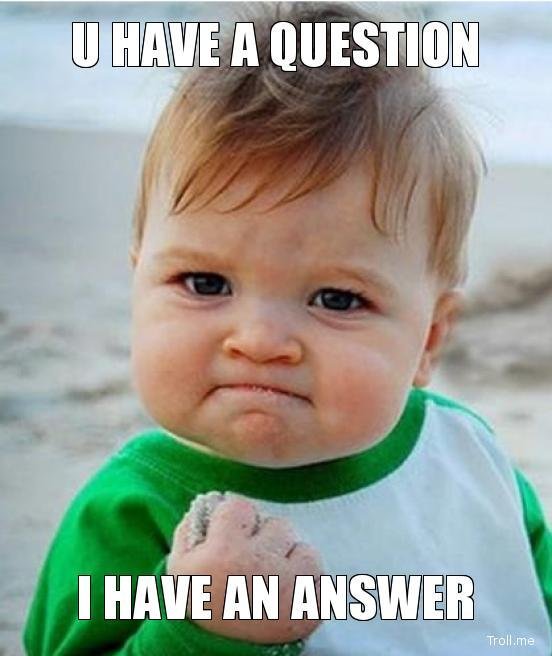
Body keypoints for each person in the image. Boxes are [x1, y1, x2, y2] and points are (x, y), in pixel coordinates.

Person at [24, 3, 552, 654]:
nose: (260, 341)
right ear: (140, 286)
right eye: (205, 283)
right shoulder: (132, 512)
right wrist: (202, 632)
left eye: (337, 298)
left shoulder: (469, 460)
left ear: (429, 340)